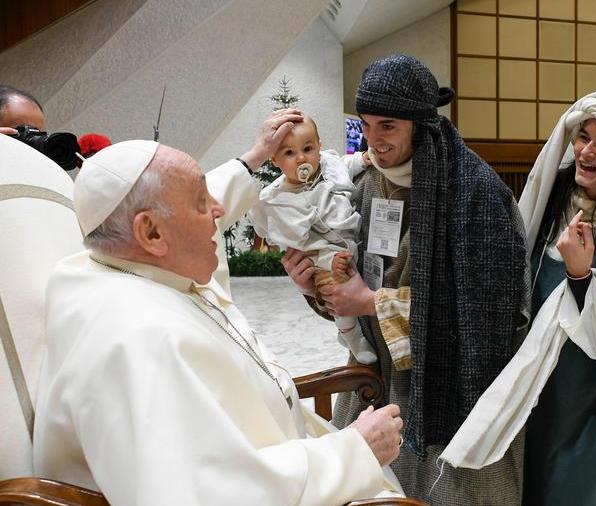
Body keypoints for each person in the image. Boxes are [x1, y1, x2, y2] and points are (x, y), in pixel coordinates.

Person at [32, 109, 408, 505]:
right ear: (151, 231)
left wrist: (256, 156)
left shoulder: (123, 265)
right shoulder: (137, 342)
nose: (217, 212)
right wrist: (354, 452)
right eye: (200, 201)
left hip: (291, 450)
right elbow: (205, 492)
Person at [282, 55, 529, 504]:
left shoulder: (477, 195)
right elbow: (350, 280)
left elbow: (489, 319)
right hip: (380, 383)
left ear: (421, 124)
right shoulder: (367, 186)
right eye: (366, 124)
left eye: (388, 126)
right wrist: (315, 286)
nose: (374, 140)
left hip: (456, 395)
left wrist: (375, 302)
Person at [440, 90, 596, 505]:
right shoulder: (549, 203)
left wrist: (581, 275)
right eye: (582, 137)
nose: (586, 151)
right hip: (535, 383)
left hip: (592, 395)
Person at [250, 117, 377, 364]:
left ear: (319, 146)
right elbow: (263, 226)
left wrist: (363, 159)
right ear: (274, 160)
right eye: (289, 152)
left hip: (350, 238)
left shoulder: (330, 168)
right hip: (320, 255)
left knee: (351, 279)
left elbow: (346, 163)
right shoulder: (275, 198)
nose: (301, 158)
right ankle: (351, 334)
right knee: (335, 288)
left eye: (308, 149)